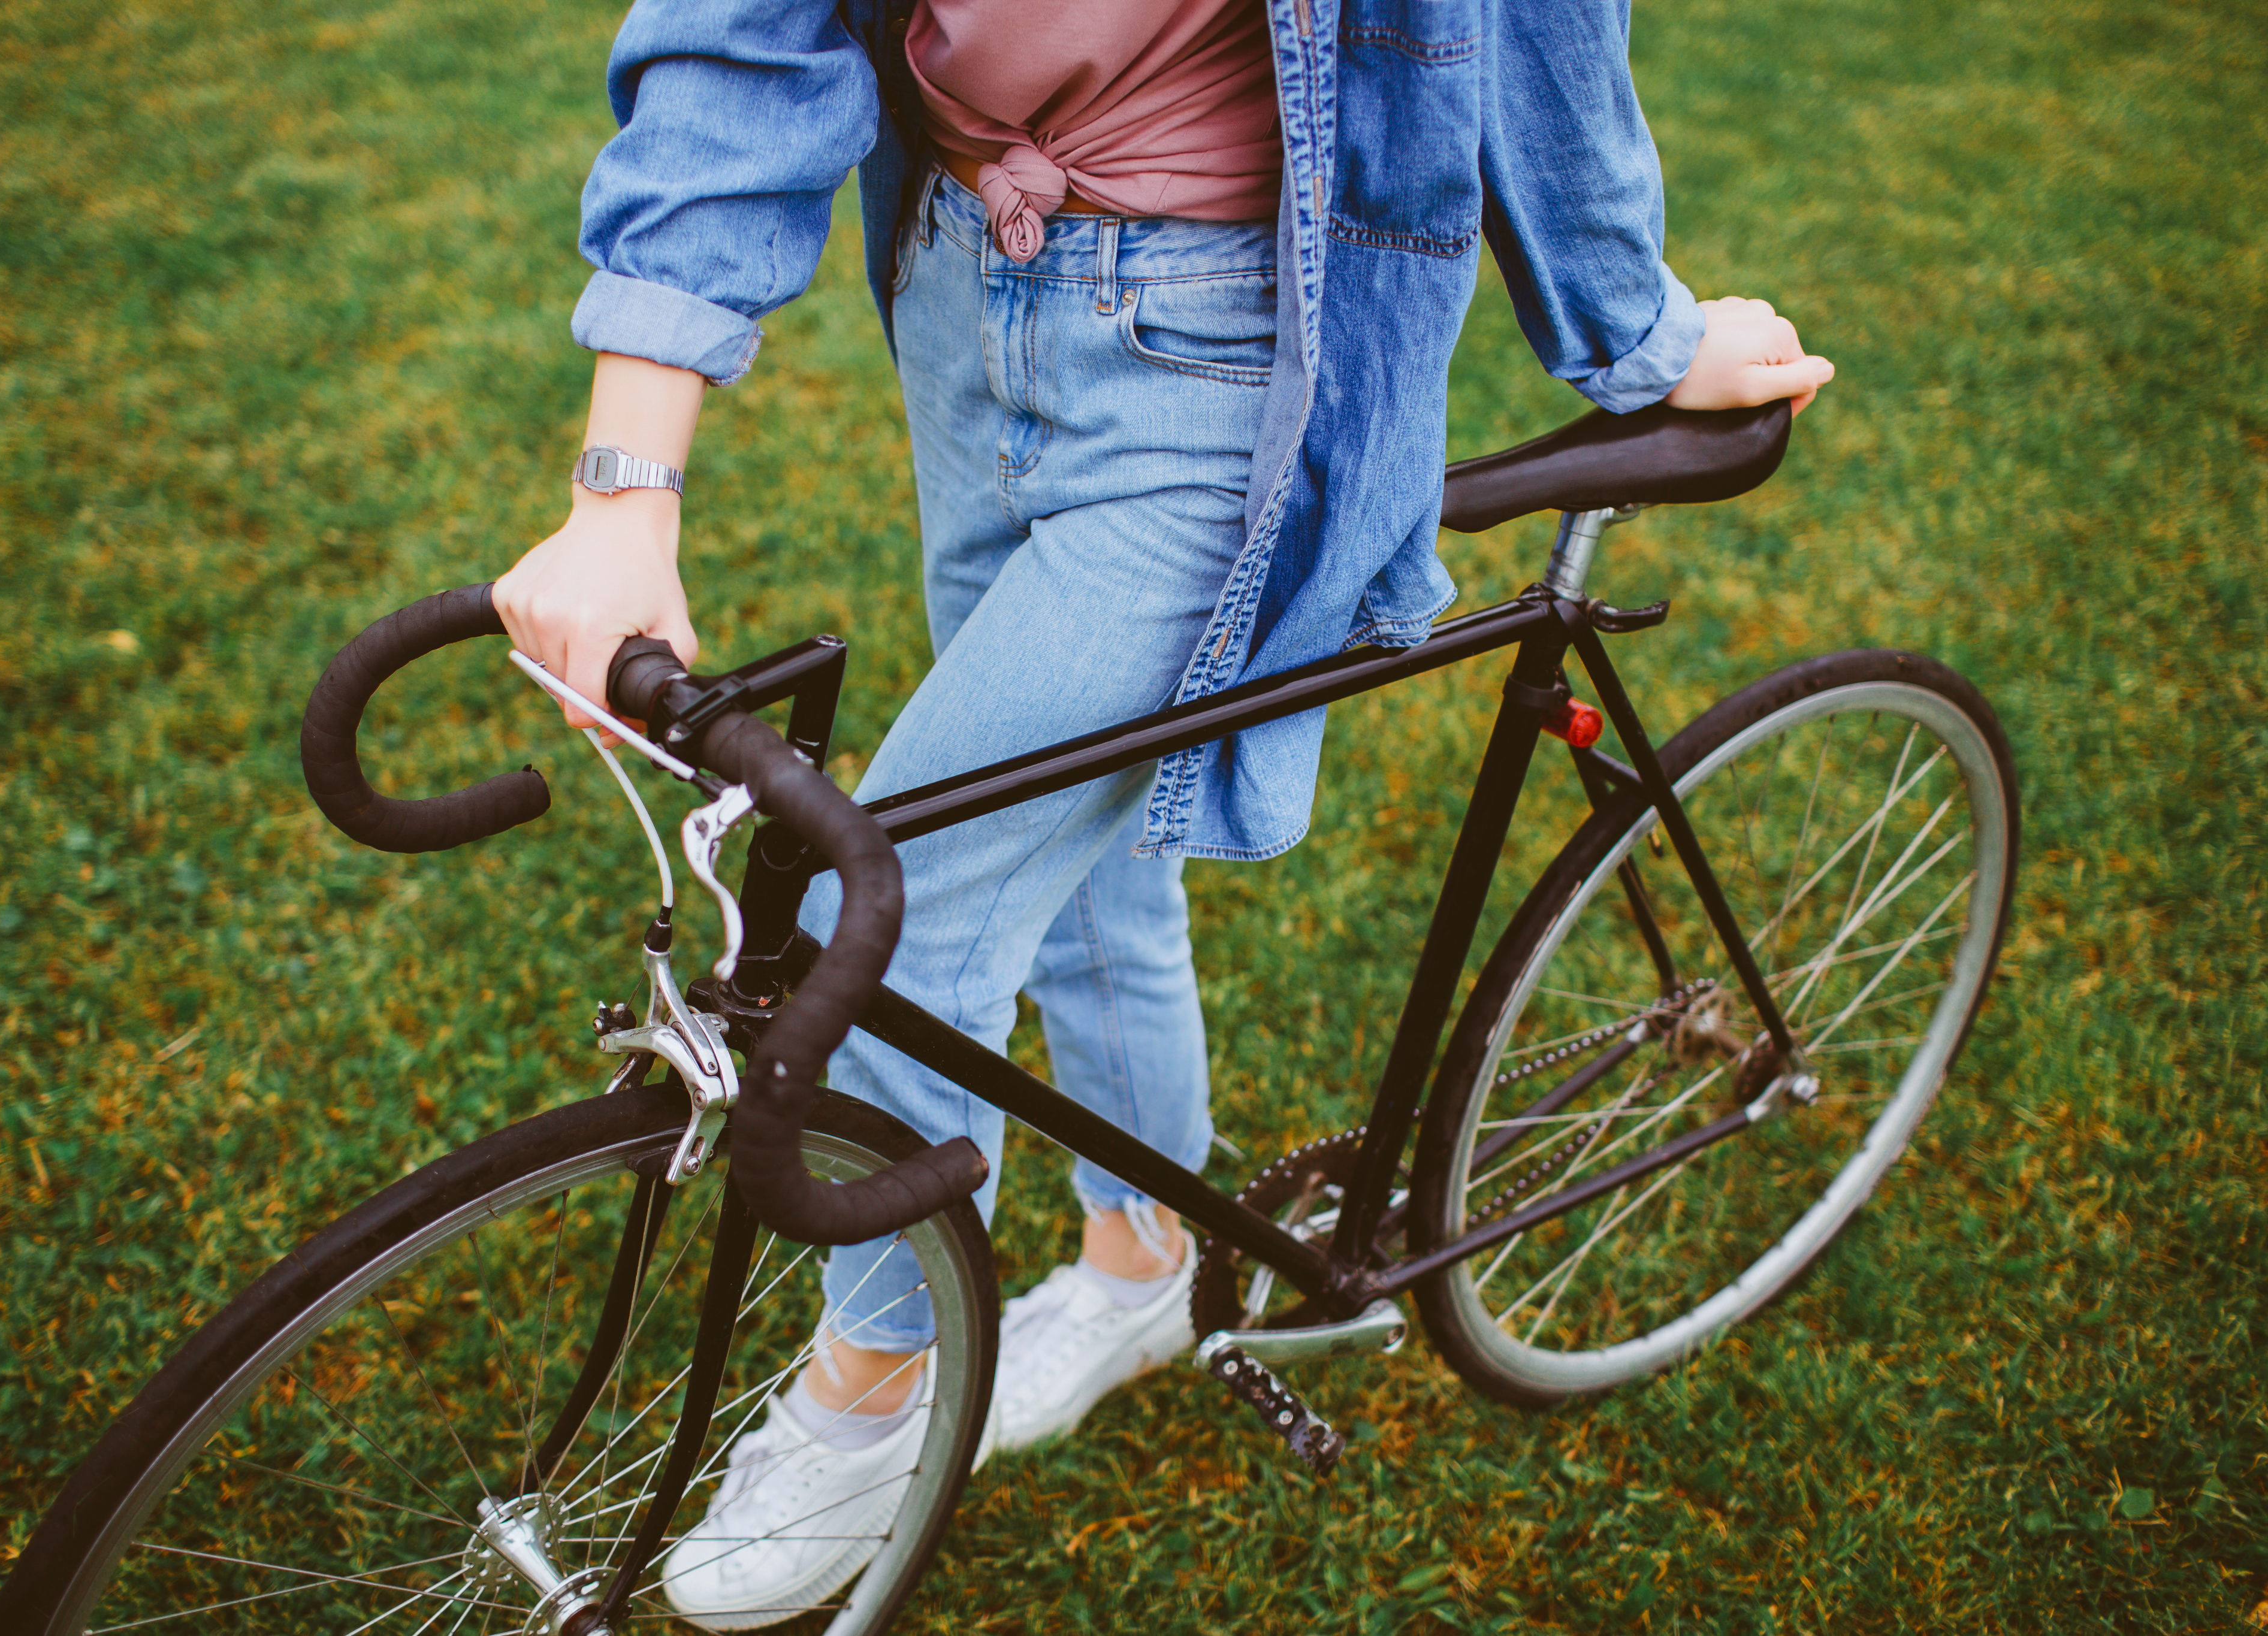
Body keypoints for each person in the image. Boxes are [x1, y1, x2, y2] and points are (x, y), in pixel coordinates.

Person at [496, 0, 1832, 1623]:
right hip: (957, 273)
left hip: (1217, 342)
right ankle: (1144, 1263)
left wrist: (1632, 326)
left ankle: (871, 1393)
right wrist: (624, 483)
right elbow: (745, 33)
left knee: (902, 907)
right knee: (1083, 844)